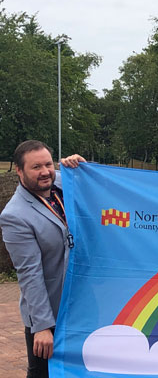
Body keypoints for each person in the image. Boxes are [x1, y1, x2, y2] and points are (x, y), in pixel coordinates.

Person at [0, 140, 85, 378]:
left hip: (82, 305)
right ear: (19, 170)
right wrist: (43, 327)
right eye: (36, 167)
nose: (45, 172)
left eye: (48, 164)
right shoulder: (15, 216)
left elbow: (98, 188)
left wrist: (86, 168)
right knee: (43, 373)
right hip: (50, 312)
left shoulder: (62, 181)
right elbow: (30, 275)